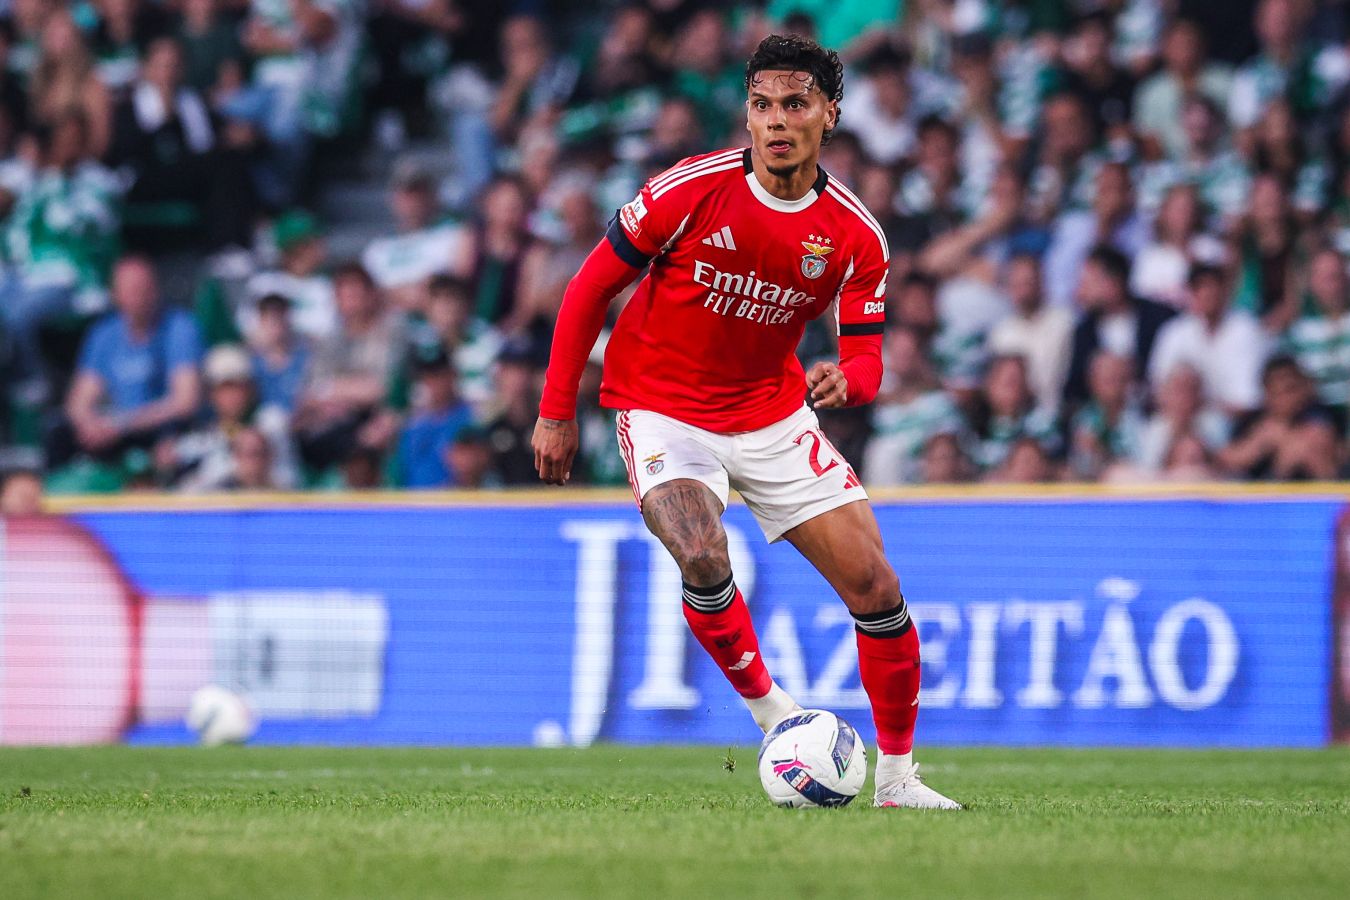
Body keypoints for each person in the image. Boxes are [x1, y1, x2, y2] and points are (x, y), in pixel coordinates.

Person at [532, 34, 958, 810]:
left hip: (772, 413)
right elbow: (589, 288)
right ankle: (776, 716)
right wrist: (556, 410)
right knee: (699, 550)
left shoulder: (855, 234)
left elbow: (866, 356)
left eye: (795, 104)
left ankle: (898, 780)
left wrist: (850, 380)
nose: (776, 121)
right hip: (661, 406)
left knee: (876, 585)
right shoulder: (688, 190)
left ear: (829, 115)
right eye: (762, 105)